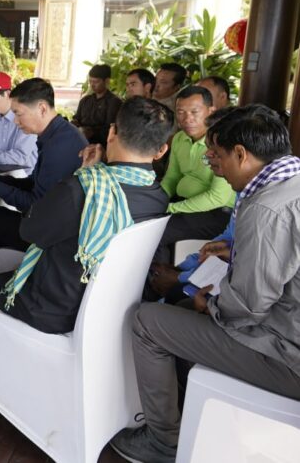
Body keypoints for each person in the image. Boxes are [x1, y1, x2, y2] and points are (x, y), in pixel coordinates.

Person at [109, 105, 300, 463]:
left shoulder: (265, 208)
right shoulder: (291, 182)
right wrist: (236, 250)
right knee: (181, 309)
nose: (216, 166)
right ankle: (191, 413)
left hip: (286, 355)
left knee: (147, 321)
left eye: (218, 155)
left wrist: (209, 304)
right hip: (288, 330)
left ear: (241, 154)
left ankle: (163, 443)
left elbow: (246, 307)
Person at [0, 97, 171, 331]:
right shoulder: (159, 197)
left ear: (111, 133)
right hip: (107, 307)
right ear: (161, 150)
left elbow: (29, 231)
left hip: (52, 307)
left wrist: (84, 173)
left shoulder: (82, 187)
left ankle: (5, 342)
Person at [0, 78, 87, 273]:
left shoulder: (60, 146)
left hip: (50, 236)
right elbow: (32, 184)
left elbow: (34, 205)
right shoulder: (57, 134)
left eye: (19, 114)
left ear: (42, 109)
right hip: (46, 222)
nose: (16, 121)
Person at [153, 85, 235, 264]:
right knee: (146, 220)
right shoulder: (179, 138)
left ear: (211, 111)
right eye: (181, 112)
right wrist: (157, 201)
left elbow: (217, 197)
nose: (187, 119)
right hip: (183, 204)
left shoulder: (222, 143)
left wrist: (171, 208)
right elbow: (172, 178)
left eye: (194, 112)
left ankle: (161, 277)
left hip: (216, 213)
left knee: (157, 233)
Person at [71, 64, 122, 146]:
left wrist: (92, 132)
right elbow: (77, 118)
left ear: (107, 81)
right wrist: (74, 123)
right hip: (80, 142)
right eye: (90, 81)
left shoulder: (114, 102)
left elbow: (112, 129)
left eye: (96, 82)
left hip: (101, 146)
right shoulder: (85, 100)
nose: (92, 85)